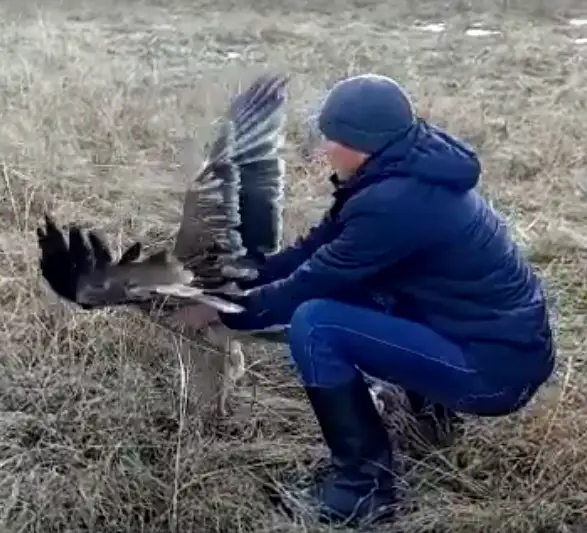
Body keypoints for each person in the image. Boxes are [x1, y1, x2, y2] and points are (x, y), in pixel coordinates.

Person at [36, 73, 555, 528]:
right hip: (497, 342)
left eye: (333, 138)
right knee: (361, 292)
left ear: (362, 144)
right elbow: (315, 251)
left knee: (317, 323)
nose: (323, 147)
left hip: (494, 372)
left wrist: (224, 308)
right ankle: (432, 419)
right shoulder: (402, 175)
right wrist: (250, 278)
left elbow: (313, 282)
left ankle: (362, 493)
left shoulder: (394, 206)